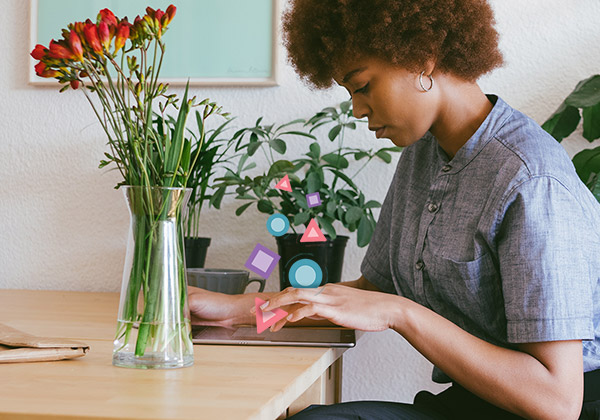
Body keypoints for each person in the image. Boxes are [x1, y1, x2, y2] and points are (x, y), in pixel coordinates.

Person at [188, 0, 600, 418]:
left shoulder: (531, 180)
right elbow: (371, 294)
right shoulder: (424, 154)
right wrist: (236, 311)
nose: (357, 110)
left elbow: (558, 401)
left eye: (362, 86)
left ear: (421, 58)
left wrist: (401, 313)